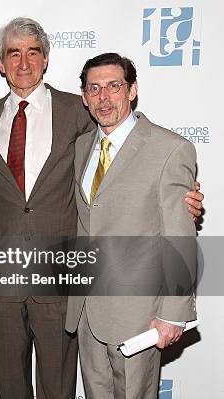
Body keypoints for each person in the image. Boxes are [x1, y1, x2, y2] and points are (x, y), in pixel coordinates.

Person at [0, 17, 204, 399]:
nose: (24, 63)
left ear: (47, 59)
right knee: (7, 386)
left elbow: (135, 158)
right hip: (3, 274)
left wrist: (185, 196)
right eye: (14, 54)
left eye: (33, 53)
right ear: (0, 63)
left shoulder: (80, 111)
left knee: (61, 388)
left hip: (66, 280)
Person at [65, 52, 197, 399]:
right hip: (88, 311)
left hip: (140, 314)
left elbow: (179, 236)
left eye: (114, 86)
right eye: (94, 89)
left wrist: (173, 313)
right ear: (84, 97)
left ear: (132, 90)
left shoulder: (169, 149)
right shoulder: (82, 147)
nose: (103, 98)